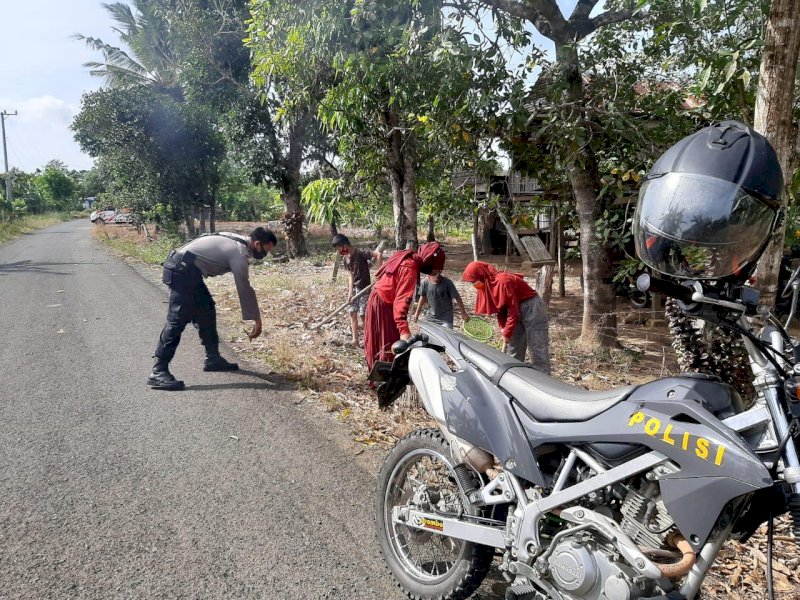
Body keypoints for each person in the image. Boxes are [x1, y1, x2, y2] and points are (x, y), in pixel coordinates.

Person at [148, 227, 277, 390]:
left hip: (186, 269)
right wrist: (257, 320)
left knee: (206, 311)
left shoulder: (238, 240)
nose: (266, 254)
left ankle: (213, 358)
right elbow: (244, 287)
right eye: (266, 250)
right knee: (177, 320)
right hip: (182, 271)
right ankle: (158, 371)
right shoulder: (239, 253)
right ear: (257, 244)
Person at [364, 242, 445, 371]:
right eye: (436, 269)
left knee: (381, 340)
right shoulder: (410, 267)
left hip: (378, 298)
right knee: (389, 343)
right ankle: (384, 381)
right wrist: (404, 330)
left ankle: (378, 375)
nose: (436, 272)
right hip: (383, 304)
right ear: (430, 262)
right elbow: (402, 301)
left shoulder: (408, 258)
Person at [462, 261, 550, 374]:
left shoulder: (503, 281)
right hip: (516, 310)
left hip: (531, 307)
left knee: (537, 347)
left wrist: (507, 332)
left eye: (475, 281)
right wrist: (504, 329)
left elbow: (513, 310)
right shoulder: (489, 286)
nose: (474, 285)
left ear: (482, 275)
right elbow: (500, 309)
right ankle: (514, 377)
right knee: (513, 348)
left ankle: (543, 381)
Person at [332, 233, 383, 347]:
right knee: (352, 313)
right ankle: (355, 341)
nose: (339, 251)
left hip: (364, 288)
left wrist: (379, 275)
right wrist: (350, 292)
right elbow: (350, 276)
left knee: (363, 314)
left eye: (339, 248)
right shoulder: (346, 258)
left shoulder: (360, 253)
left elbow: (378, 255)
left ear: (345, 245)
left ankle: (369, 340)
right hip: (355, 289)